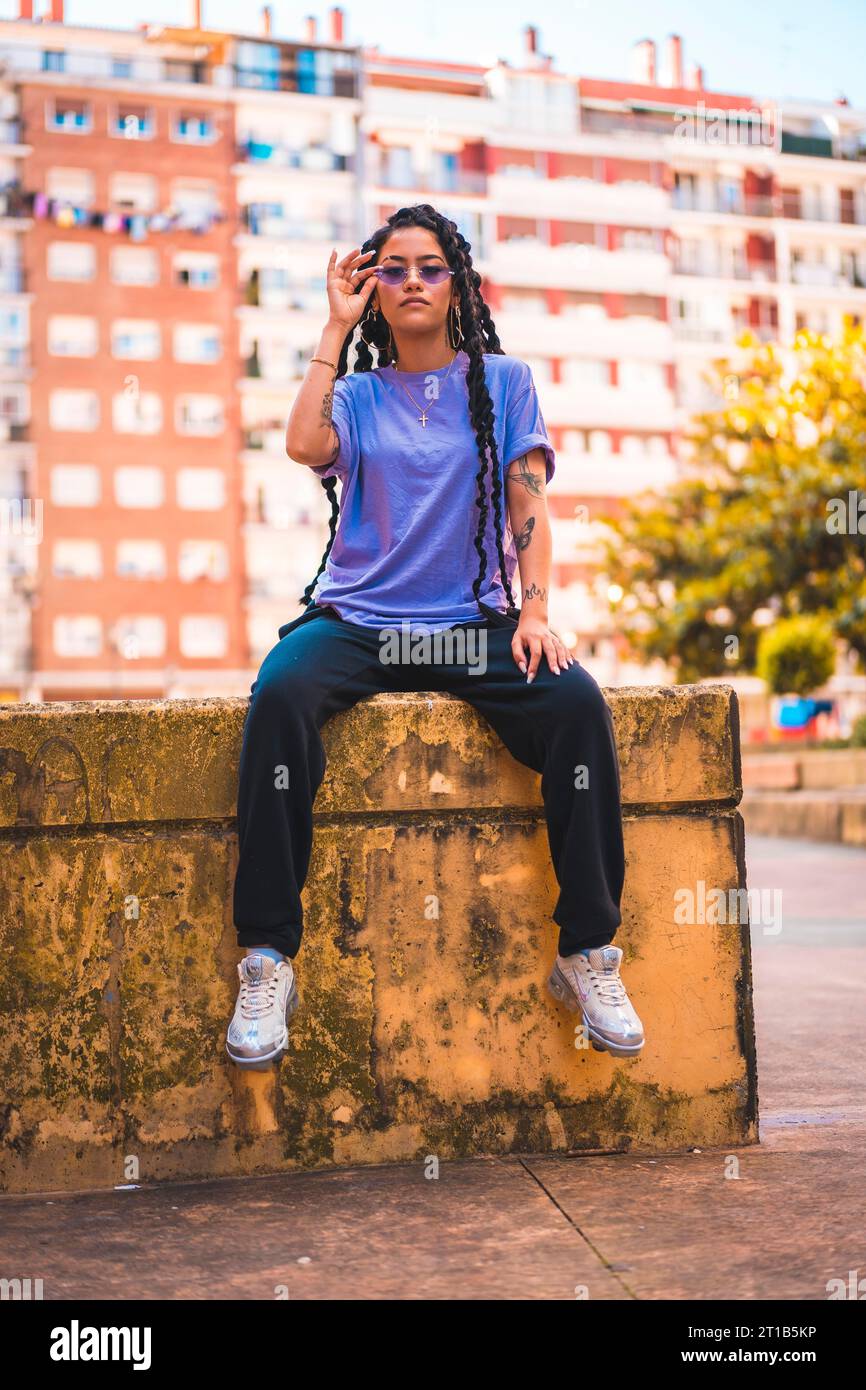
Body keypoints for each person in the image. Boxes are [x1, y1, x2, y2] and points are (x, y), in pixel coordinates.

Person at [226, 203, 644, 1072]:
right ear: (374, 288)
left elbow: (528, 501)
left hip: (466, 630)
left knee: (575, 705)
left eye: (430, 267)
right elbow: (304, 444)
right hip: (360, 626)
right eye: (393, 268)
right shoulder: (354, 392)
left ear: (458, 285)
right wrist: (332, 329)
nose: (412, 281)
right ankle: (268, 958)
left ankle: (589, 951)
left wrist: (533, 611)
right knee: (279, 694)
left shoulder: (505, 381)